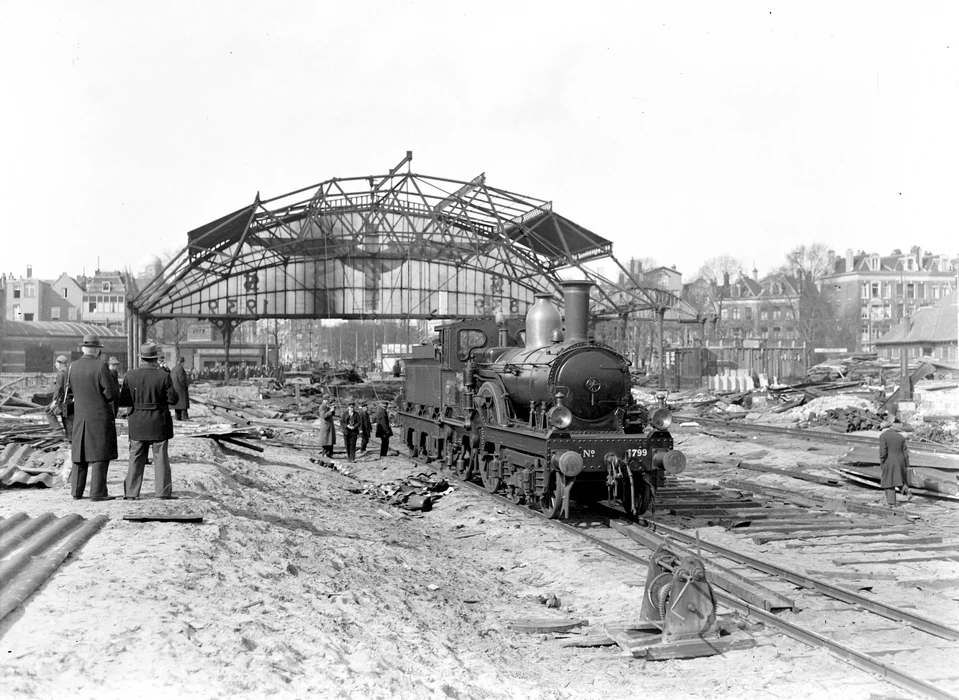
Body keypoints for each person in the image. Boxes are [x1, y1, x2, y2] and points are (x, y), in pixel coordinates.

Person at [119, 342, 179, 500]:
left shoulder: (130, 375)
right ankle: (162, 493)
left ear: (142, 358)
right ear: (155, 359)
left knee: (136, 457)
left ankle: (131, 493)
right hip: (159, 421)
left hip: (137, 421)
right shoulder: (164, 375)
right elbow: (173, 399)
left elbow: (123, 400)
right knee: (160, 458)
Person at [66, 333, 118, 501]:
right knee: (99, 455)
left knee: (79, 454)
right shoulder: (100, 367)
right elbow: (110, 393)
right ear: (96, 350)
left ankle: (76, 492)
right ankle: (97, 493)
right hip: (99, 417)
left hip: (80, 417)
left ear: (83, 349)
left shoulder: (72, 367)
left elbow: (70, 392)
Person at [879, 419, 911, 507]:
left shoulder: (883, 436)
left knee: (888, 481)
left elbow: (883, 452)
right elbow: (905, 452)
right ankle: (906, 490)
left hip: (889, 461)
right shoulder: (900, 436)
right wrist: (907, 464)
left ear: (884, 429)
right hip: (901, 461)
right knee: (898, 478)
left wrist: (882, 461)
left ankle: (891, 503)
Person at [47, 354, 73, 440]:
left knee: (48, 410)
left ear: (61, 364)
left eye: (56, 363)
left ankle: (57, 430)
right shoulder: (69, 370)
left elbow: (59, 387)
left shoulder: (61, 372)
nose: (55, 365)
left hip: (62, 399)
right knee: (67, 418)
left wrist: (55, 400)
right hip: (69, 398)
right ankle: (69, 438)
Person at [171, 356, 191, 420]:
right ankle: (185, 417)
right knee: (183, 404)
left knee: (177, 405)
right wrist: (186, 386)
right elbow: (182, 380)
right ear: (182, 362)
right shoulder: (180, 369)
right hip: (181, 389)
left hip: (175, 389)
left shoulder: (174, 368)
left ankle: (177, 417)